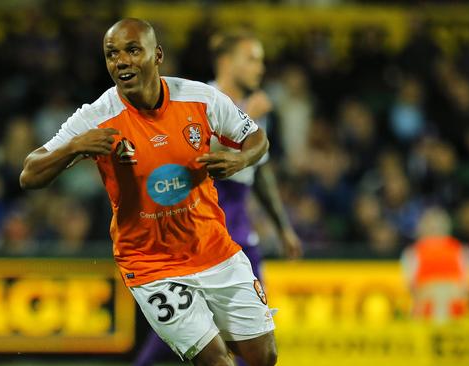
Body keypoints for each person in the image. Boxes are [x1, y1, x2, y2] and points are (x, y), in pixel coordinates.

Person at [20, 19, 277, 366]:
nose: (121, 61)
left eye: (132, 50)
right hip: (151, 265)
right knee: (216, 361)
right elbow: (29, 173)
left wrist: (240, 159)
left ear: (157, 56)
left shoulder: (199, 98)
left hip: (213, 248)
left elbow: (255, 136)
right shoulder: (97, 116)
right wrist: (74, 147)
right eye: (112, 54)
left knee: (264, 357)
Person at [134, 29, 302, 366]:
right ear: (226, 61)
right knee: (181, 335)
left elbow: (260, 171)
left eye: (262, 60)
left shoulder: (252, 109)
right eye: (251, 59)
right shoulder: (200, 100)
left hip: (241, 235)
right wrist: (246, 119)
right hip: (200, 234)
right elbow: (185, 160)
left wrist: (283, 227)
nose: (260, 67)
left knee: (252, 338)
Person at [401, 207, 469, 324]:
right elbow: (410, 288)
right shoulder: (412, 253)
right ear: (422, 226)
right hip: (425, 308)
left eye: (438, 222)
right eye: (430, 223)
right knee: (438, 293)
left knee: (443, 293)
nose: (434, 227)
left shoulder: (462, 251)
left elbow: (466, 286)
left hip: (455, 308)